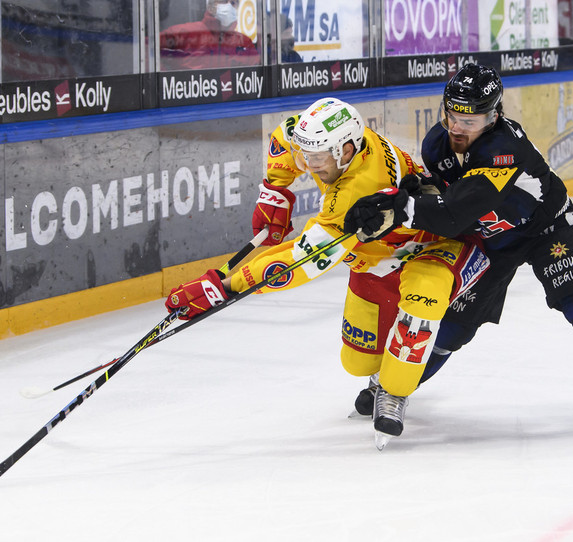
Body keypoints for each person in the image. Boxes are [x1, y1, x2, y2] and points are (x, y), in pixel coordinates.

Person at [344, 64, 573, 427]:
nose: (457, 127)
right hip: (489, 240)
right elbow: (442, 194)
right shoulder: (436, 145)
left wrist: (402, 209)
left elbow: (456, 210)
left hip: (547, 228)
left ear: (494, 116)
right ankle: (391, 388)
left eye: (470, 121)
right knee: (452, 326)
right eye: (452, 114)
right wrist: (410, 191)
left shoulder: (505, 149)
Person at [164, 97, 488, 449]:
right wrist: (276, 190)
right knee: (356, 361)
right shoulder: (335, 142)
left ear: (346, 150)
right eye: (307, 156)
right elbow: (285, 137)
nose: (310, 164)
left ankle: (394, 393)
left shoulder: (357, 190)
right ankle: (382, 374)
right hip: (375, 257)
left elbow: (302, 260)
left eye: (317, 158)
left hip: (434, 247)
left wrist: (226, 287)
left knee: (419, 310)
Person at [159, 0, 260, 71]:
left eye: (234, 3)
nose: (229, 6)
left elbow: (255, 77)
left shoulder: (243, 43)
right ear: (211, 6)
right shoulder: (185, 34)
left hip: (231, 101)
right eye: (224, 1)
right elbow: (148, 49)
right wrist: (168, 84)